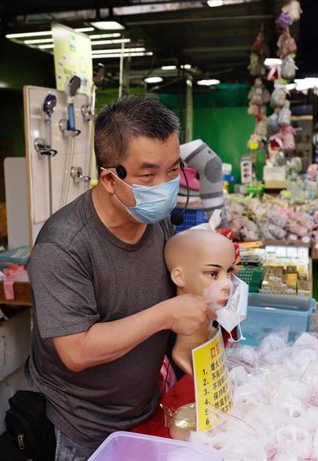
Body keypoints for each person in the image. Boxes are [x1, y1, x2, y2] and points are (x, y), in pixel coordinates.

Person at [24, 96, 215, 459]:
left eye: (173, 170)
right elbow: (76, 351)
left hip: (145, 410)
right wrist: (168, 314)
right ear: (110, 179)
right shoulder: (63, 245)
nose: (165, 185)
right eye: (148, 175)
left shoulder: (154, 219)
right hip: (82, 429)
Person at [165, 229, 236, 376]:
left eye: (229, 271)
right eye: (213, 274)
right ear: (179, 277)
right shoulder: (185, 359)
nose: (227, 284)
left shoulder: (213, 332)